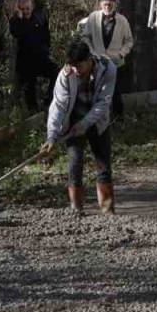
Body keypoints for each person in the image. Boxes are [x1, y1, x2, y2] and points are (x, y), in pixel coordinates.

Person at [41, 41, 117, 215]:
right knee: (75, 163)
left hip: (98, 122)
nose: (76, 70)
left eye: (79, 66)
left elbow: (103, 103)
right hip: (73, 121)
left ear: (89, 60)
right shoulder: (65, 75)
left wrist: (84, 125)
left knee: (103, 164)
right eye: (72, 66)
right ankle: (76, 209)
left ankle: (107, 210)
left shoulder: (108, 68)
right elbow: (58, 107)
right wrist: (52, 136)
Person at [78, 0, 133, 113]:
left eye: (110, 4)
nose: (107, 7)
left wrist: (121, 54)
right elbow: (85, 37)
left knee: (115, 91)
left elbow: (129, 41)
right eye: (105, 4)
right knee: (96, 90)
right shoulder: (93, 18)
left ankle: (118, 118)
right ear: (100, 4)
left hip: (116, 61)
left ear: (115, 4)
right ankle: (96, 117)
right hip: (97, 61)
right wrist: (92, 51)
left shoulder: (122, 20)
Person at [8, 0, 57, 111]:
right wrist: (20, 19)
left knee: (56, 73)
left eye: (27, 8)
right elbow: (17, 33)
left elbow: (46, 36)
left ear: (32, 7)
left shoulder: (39, 18)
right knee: (29, 89)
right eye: (22, 9)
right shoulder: (15, 21)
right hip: (25, 62)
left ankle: (48, 101)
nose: (25, 11)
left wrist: (45, 50)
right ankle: (33, 113)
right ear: (18, 9)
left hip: (41, 58)